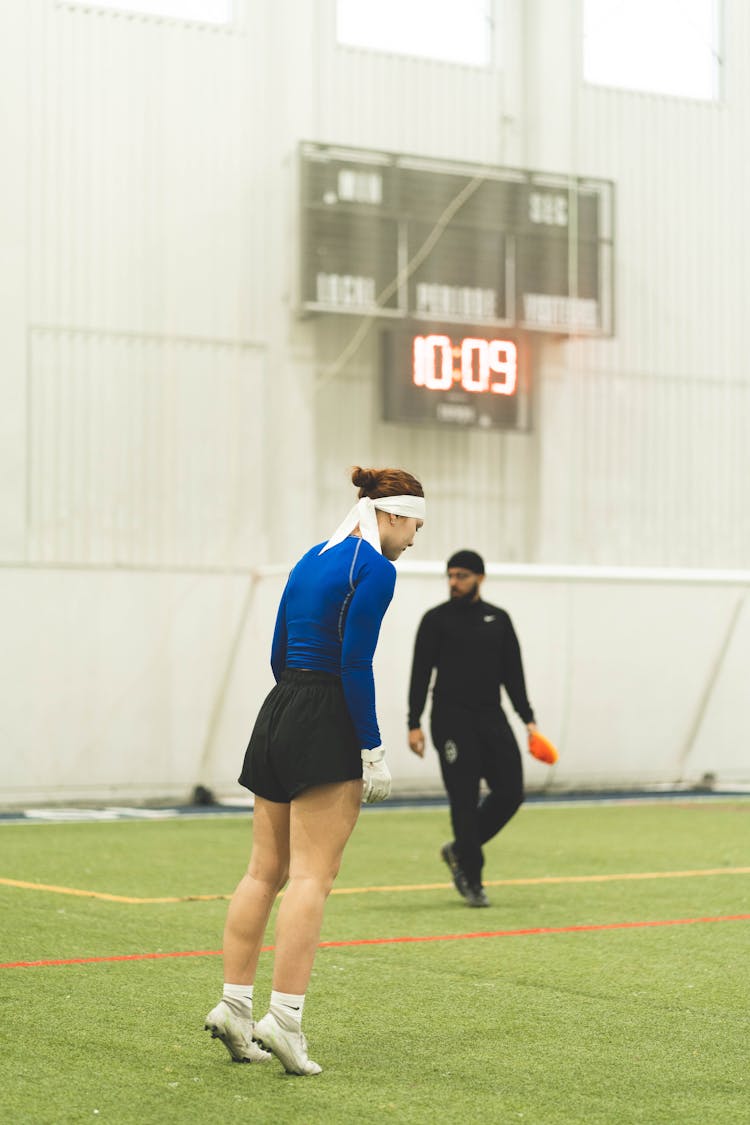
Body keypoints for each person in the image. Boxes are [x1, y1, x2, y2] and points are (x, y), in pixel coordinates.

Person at [205, 466, 425, 1076]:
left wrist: (295, 709)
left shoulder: (311, 556)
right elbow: (356, 663)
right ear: (389, 515)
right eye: (413, 525)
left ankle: (233, 1005)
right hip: (328, 708)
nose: (413, 538)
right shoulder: (376, 569)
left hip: (278, 709)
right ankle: (286, 1019)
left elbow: (278, 649)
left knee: (261, 872)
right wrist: (372, 749)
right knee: (311, 878)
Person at [407, 550, 536, 908]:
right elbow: (420, 674)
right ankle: (472, 878)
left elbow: (514, 675)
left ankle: (459, 849)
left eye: (462, 576)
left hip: (492, 717)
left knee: (511, 793)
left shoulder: (499, 619)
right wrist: (413, 723)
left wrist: (528, 719)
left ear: (480, 577)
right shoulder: (435, 620)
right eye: (450, 576)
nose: (454, 582)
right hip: (450, 720)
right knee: (463, 799)